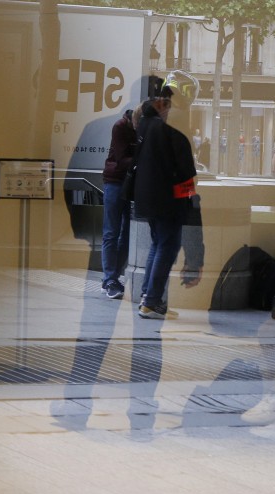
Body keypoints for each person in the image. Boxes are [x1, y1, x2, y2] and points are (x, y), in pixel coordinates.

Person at [133, 85, 200, 319]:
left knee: (157, 244)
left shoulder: (145, 122)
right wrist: (190, 189)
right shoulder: (175, 119)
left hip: (148, 195)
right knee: (168, 246)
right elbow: (183, 163)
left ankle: (147, 298)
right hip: (168, 196)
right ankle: (151, 302)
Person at [100, 106, 139, 299]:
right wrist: (143, 160)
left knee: (126, 234)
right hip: (115, 181)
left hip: (130, 182)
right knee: (111, 232)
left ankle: (113, 277)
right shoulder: (120, 126)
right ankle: (110, 279)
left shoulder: (138, 127)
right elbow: (121, 158)